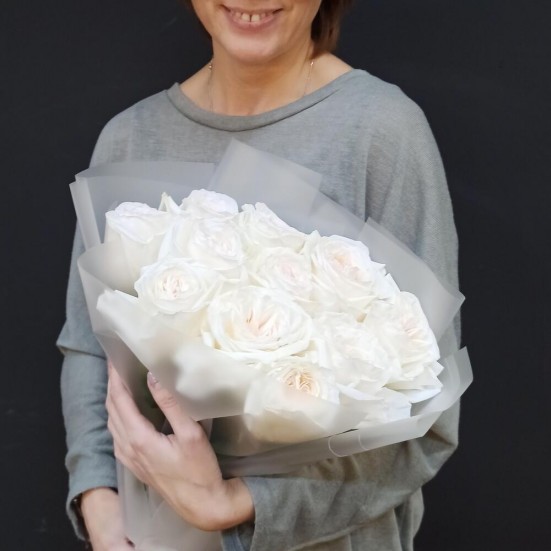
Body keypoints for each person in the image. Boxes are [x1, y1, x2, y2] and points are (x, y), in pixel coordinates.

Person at [58, 1, 460, 549]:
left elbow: (427, 420)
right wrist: (99, 500)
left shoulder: (381, 132)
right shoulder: (129, 138)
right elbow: (90, 344)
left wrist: (236, 503)